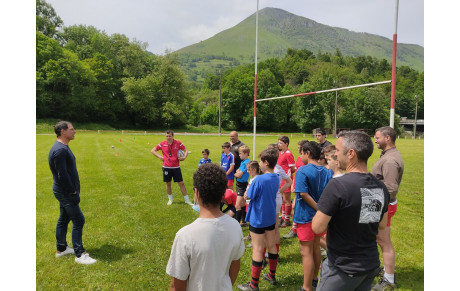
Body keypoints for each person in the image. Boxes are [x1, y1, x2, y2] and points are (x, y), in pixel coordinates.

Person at [312, 130, 390, 291]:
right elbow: (381, 227)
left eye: (338, 151)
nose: (336, 156)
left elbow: (317, 227)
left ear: (351, 153)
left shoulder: (338, 185)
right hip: (369, 266)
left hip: (342, 268)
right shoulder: (381, 187)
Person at [166, 163, 245, 291]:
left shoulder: (185, 235)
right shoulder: (235, 226)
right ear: (223, 194)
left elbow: (177, 285)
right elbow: (235, 265)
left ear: (196, 193)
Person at [48, 121, 97, 265]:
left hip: (64, 191)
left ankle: (61, 249)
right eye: (71, 129)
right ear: (63, 131)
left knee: (64, 219)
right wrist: (72, 191)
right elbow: (62, 175)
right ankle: (80, 254)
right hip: (66, 192)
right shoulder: (60, 150)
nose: (74, 131)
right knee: (78, 219)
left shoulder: (63, 147)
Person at [237, 149, 280, 291]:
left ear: (266, 163)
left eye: (261, 160)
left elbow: (248, 196)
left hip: (258, 218)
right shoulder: (276, 177)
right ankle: (271, 275)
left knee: (257, 249)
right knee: (272, 245)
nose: (259, 163)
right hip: (270, 217)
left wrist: (244, 195)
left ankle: (253, 285)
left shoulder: (259, 179)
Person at [294, 141, 333, 291]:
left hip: (306, 216)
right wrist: (322, 210)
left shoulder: (303, 171)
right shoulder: (326, 171)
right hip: (321, 218)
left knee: (306, 252)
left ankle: (307, 287)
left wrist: (318, 208)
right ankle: (315, 278)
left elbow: (303, 193)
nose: (301, 156)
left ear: (308, 153)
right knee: (316, 247)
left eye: (302, 153)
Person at [371, 126, 404, 291]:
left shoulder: (390, 160)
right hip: (381, 204)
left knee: (384, 241)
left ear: (387, 138)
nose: (375, 140)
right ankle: (384, 271)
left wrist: (375, 204)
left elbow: (390, 189)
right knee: (380, 239)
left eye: (377, 137)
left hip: (384, 205)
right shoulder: (387, 155)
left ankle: (389, 279)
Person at [151, 130, 193, 206]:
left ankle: (187, 200)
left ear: (173, 136)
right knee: (168, 183)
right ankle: (170, 199)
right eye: (167, 136)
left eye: (169, 136)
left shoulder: (178, 143)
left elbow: (186, 150)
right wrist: (159, 156)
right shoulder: (162, 144)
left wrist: (184, 157)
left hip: (176, 167)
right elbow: (153, 150)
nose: (168, 137)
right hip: (166, 167)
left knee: (181, 183)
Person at [284, 139, 309, 239]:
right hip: (296, 185)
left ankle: (295, 229)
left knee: (296, 206)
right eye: (298, 148)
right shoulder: (299, 158)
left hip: (302, 187)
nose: (298, 150)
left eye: (300, 148)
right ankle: (295, 228)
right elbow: (296, 172)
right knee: (295, 206)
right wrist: (293, 184)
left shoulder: (307, 160)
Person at [277, 136, 296, 228]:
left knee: (287, 199)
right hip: (280, 180)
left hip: (286, 180)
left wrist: (287, 176)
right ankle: (283, 216)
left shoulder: (288, 154)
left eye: (280, 143)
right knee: (282, 199)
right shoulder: (280, 153)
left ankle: (287, 220)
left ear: (286, 144)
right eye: (278, 142)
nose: (278, 144)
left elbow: (292, 168)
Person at [234, 145, 250, 226]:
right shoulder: (243, 162)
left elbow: (239, 174)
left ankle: (236, 224)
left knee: (237, 205)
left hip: (242, 185)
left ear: (246, 153)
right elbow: (238, 170)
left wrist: (235, 174)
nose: (239, 155)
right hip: (240, 184)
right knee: (243, 203)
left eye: (240, 153)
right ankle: (244, 221)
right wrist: (237, 172)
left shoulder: (246, 163)